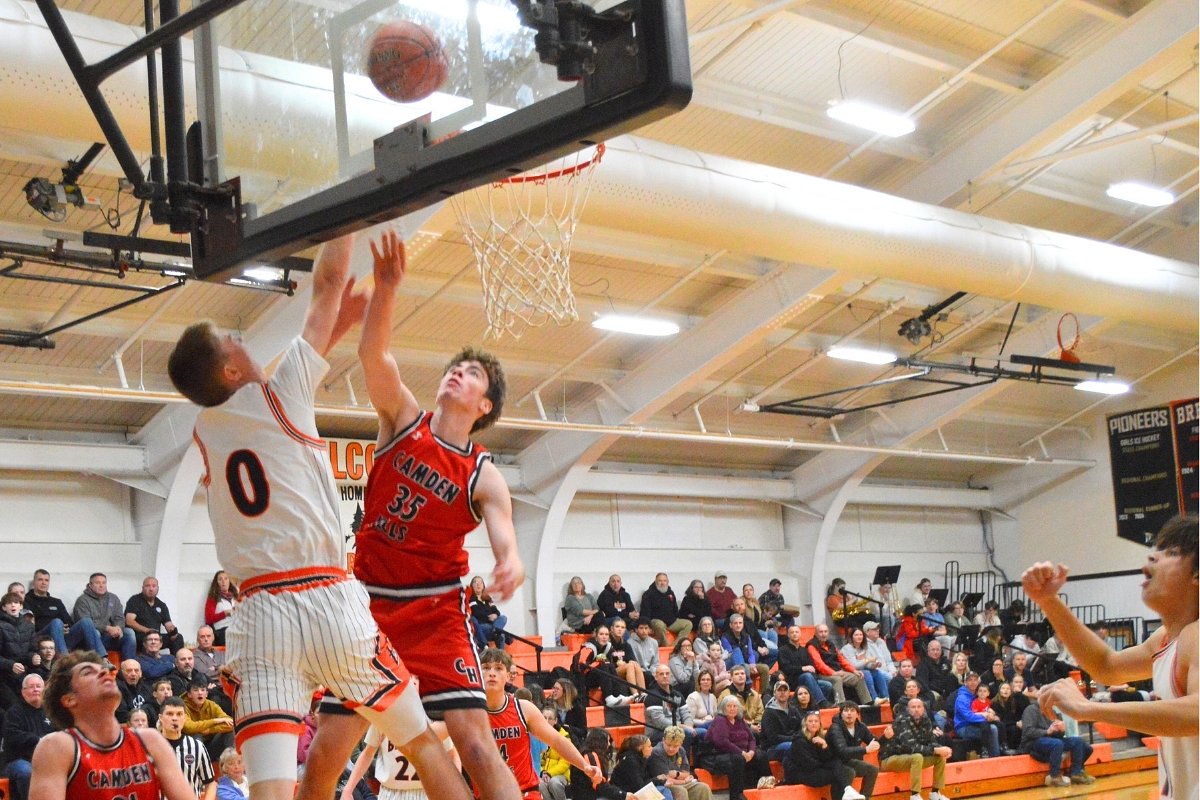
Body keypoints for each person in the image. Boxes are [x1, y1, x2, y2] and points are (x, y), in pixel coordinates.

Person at [168, 232, 466, 800]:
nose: (241, 338)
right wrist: (343, 211)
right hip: (328, 601)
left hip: (256, 617)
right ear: (231, 371)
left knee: (271, 789)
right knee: (422, 744)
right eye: (231, 339)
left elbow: (312, 340)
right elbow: (328, 281)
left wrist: (338, 324)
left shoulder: (204, 432)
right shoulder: (280, 396)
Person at [353, 232, 523, 800]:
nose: (458, 373)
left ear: (485, 405)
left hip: (434, 611)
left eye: (472, 373)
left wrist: (511, 561)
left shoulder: (482, 472)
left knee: (475, 742)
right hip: (369, 606)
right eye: (455, 367)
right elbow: (374, 357)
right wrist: (387, 289)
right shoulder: (403, 418)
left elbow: (504, 535)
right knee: (330, 745)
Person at [1022, 515, 1198, 800]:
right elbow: (1106, 665)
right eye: (1157, 549)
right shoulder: (1165, 639)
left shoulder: (1196, 634)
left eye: (1172, 553)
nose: (1152, 556)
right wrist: (1049, 601)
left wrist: (1089, 708)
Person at [29, 650, 195, 800]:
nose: (105, 673)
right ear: (69, 699)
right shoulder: (57, 747)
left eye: (103, 670)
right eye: (88, 672)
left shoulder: (150, 740)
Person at [480, 648, 600, 798]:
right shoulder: (468, 715)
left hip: (524, 792)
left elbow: (557, 740)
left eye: (498, 668)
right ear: (477, 674)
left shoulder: (523, 709)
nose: (492, 673)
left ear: (508, 676)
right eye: (486, 667)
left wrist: (585, 766)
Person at [341, 721, 457, 800]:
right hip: (390, 793)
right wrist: (347, 789)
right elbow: (367, 754)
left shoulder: (433, 717)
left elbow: (451, 755)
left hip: (425, 792)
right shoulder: (383, 715)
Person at [877, 696, 951, 800]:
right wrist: (936, 750)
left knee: (940, 757)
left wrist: (943, 749)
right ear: (908, 709)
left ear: (923, 709)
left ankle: (935, 793)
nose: (916, 709)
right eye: (913, 707)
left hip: (908, 758)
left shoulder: (926, 720)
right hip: (889, 759)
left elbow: (931, 741)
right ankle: (915, 795)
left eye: (919, 707)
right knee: (917, 757)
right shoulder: (902, 721)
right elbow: (909, 747)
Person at [782, 710, 861, 800]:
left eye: (816, 721)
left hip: (814, 769)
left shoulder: (819, 738)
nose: (813, 723)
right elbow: (808, 765)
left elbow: (828, 758)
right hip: (800, 774)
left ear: (820, 724)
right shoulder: (799, 741)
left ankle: (847, 791)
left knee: (847, 770)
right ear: (805, 724)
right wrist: (829, 765)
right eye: (810, 721)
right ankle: (847, 791)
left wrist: (825, 746)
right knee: (839, 772)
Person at [706, 695, 772, 800]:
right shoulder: (720, 720)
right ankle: (737, 795)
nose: (732, 709)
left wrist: (751, 752)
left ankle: (766, 787)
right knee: (738, 759)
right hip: (718, 755)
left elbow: (752, 739)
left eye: (734, 706)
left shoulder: (740, 720)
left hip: (742, 753)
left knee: (761, 755)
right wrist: (742, 753)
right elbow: (722, 742)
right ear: (723, 708)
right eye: (729, 706)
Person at [24, 569, 103, 656]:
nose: (44, 583)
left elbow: (69, 622)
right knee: (57, 623)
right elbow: (28, 625)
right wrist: (57, 627)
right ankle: (64, 660)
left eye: (46, 580)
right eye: (40, 580)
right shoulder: (26, 600)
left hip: (62, 637)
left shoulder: (56, 602)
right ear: (34, 582)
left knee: (86, 621)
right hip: (41, 638)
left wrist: (65, 629)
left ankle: (102, 658)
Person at [3, 673, 53, 800]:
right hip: (18, 760)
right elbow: (12, 736)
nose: (35, 689)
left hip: (47, 760)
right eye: (31, 687)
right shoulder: (14, 713)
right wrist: (39, 740)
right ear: (23, 691)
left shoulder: (52, 712)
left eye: (38, 686)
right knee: (27, 773)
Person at [1020, 701, 1094, 786]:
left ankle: (1076, 773)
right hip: (1033, 741)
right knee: (1057, 743)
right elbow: (1028, 731)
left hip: (1051, 739)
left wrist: (1062, 730)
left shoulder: (1053, 711)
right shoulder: (1030, 710)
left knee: (1078, 741)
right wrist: (1047, 731)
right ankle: (1054, 776)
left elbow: (1058, 735)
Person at [158, 697, 217, 800]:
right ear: (160, 718)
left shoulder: (197, 746)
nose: (175, 718)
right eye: (170, 714)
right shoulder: (150, 747)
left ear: (185, 718)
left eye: (179, 714)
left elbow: (211, 783)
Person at [71, 573, 136, 660]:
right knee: (96, 633)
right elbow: (86, 623)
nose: (101, 585)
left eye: (104, 582)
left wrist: (118, 628)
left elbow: (119, 618)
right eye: (97, 583)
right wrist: (107, 628)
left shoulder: (113, 598)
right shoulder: (82, 600)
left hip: (109, 637)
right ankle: (102, 660)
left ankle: (129, 665)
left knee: (129, 632)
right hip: (89, 639)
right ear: (90, 585)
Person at [807, 624, 871, 705]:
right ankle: (841, 705)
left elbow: (841, 659)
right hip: (821, 674)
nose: (823, 634)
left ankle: (867, 703)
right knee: (837, 679)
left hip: (836, 671)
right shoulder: (812, 646)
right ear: (816, 633)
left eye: (825, 631)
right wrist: (833, 673)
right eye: (821, 632)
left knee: (858, 677)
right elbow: (819, 664)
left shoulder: (830, 644)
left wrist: (853, 670)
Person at [828, 702, 879, 800]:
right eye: (846, 711)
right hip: (833, 761)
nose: (849, 713)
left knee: (872, 770)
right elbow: (841, 751)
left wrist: (885, 737)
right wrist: (865, 749)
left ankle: (865, 798)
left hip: (849, 760)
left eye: (852, 711)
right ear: (841, 714)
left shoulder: (861, 726)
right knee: (849, 772)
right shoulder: (835, 727)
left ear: (857, 714)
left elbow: (873, 741)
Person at [648, 725, 713, 800]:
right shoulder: (657, 752)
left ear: (681, 743)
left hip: (679, 782)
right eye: (668, 745)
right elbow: (666, 779)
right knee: (681, 791)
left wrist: (676, 774)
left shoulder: (681, 750)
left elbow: (686, 773)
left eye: (675, 746)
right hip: (663, 785)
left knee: (703, 787)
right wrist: (684, 781)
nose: (671, 749)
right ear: (663, 740)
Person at [123, 577, 184, 654]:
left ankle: (178, 663)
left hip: (156, 637)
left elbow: (168, 624)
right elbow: (129, 621)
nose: (151, 589)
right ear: (142, 588)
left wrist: (173, 631)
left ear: (157, 589)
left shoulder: (161, 605)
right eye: (148, 586)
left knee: (178, 637)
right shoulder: (134, 600)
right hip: (139, 637)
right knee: (148, 639)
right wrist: (147, 631)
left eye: (154, 586)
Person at [569, 729, 635, 800]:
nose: (609, 744)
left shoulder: (587, 753)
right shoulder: (590, 756)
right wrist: (622, 794)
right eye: (608, 741)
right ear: (600, 742)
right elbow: (599, 785)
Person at [777, 623, 832, 707]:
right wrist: (803, 668)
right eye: (792, 632)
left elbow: (812, 666)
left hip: (809, 679)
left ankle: (816, 705)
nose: (795, 634)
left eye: (797, 632)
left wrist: (811, 673)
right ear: (788, 635)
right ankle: (822, 702)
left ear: (800, 634)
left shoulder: (804, 650)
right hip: (793, 680)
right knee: (807, 675)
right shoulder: (783, 650)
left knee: (827, 685)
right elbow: (786, 668)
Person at [181, 682, 235, 764]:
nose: (200, 693)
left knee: (230, 732)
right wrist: (214, 721)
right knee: (196, 737)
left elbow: (230, 723)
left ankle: (232, 762)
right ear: (189, 695)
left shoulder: (211, 705)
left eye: (203, 690)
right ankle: (196, 769)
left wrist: (210, 730)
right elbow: (189, 727)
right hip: (191, 748)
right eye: (196, 690)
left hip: (212, 745)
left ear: (206, 694)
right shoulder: (182, 706)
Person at [645, 664, 697, 745]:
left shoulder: (677, 695)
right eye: (661, 674)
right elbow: (660, 723)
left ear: (671, 676)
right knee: (686, 733)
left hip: (678, 729)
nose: (665, 676)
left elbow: (686, 714)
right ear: (656, 677)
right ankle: (682, 757)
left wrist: (689, 726)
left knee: (704, 732)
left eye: (667, 673)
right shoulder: (652, 696)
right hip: (657, 733)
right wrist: (682, 727)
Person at [952, 673, 1001, 758]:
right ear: (965, 682)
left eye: (975, 680)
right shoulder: (962, 698)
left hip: (976, 724)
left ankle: (1001, 749)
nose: (973, 682)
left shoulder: (978, 695)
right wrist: (985, 716)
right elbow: (968, 716)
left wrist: (992, 716)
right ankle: (995, 757)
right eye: (970, 680)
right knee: (992, 729)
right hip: (963, 727)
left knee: (998, 725)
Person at [640, 573, 692, 646]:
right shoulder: (648, 594)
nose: (662, 583)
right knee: (660, 625)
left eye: (664, 581)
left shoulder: (670, 592)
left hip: (671, 621)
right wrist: (647, 626)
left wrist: (677, 618)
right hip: (656, 621)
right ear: (656, 582)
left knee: (688, 624)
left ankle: (675, 646)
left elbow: (675, 608)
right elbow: (645, 612)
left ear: (667, 582)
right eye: (660, 581)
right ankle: (666, 647)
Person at [610, 735, 668, 800]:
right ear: (640, 748)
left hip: (632, 791)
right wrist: (657, 779)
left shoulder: (641, 758)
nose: (652, 748)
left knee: (664, 789)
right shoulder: (630, 761)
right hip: (624, 794)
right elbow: (640, 787)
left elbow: (644, 779)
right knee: (663, 791)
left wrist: (659, 779)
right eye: (649, 746)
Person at [840, 627, 889, 703]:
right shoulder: (847, 648)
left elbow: (867, 665)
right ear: (851, 637)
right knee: (867, 673)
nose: (859, 637)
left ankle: (886, 697)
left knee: (877, 672)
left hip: (862, 670)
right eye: (856, 635)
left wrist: (874, 665)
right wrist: (867, 660)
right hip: (850, 671)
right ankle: (874, 698)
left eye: (861, 635)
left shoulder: (863, 648)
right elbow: (854, 665)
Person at [759, 680, 802, 759]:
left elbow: (802, 727)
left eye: (785, 690)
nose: (782, 693)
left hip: (792, 741)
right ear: (774, 693)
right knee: (794, 747)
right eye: (779, 690)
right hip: (772, 748)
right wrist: (794, 738)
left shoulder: (793, 710)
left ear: (789, 693)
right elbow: (773, 738)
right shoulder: (768, 713)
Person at [717, 665, 763, 732]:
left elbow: (760, 712)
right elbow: (726, 717)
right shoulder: (725, 695)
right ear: (731, 678)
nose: (740, 676)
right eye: (736, 674)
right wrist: (749, 727)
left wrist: (756, 724)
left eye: (742, 673)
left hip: (755, 727)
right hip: (735, 729)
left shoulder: (755, 694)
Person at [469, 575, 509, 651]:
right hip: (481, 627)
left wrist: (495, 615)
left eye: (480, 582)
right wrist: (488, 617)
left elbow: (497, 612)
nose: (478, 584)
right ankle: (496, 632)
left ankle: (500, 658)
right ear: (472, 586)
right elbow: (476, 613)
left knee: (503, 618)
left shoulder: (488, 599)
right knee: (501, 634)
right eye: (475, 582)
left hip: (491, 626)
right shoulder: (471, 599)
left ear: (483, 585)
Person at [203, 571, 238, 648]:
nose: (223, 582)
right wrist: (225, 613)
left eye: (226, 578)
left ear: (230, 581)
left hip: (236, 627)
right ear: (216, 583)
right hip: (222, 630)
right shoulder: (213, 598)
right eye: (220, 579)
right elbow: (208, 618)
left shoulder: (236, 596)